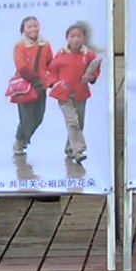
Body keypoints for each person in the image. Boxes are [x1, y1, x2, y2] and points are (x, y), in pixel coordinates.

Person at [46, 21, 101, 167]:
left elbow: (96, 67)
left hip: (80, 93)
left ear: (84, 38)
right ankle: (79, 150)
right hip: (63, 94)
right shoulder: (61, 54)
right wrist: (53, 83)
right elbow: (52, 70)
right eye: (72, 36)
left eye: (79, 36)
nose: (75, 39)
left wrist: (91, 77)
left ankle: (70, 149)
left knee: (79, 123)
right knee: (72, 121)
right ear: (67, 38)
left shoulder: (88, 55)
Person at [10, 17, 52, 156]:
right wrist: (34, 80)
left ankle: (24, 138)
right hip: (25, 86)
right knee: (26, 118)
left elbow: (50, 63)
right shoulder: (20, 46)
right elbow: (21, 67)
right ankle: (19, 142)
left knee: (38, 118)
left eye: (35, 26)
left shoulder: (45, 45)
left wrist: (51, 80)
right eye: (29, 27)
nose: (33, 29)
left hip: (42, 86)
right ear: (23, 29)